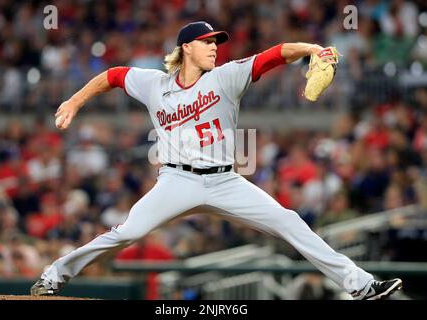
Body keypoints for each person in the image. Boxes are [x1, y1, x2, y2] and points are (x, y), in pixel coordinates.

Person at [31, 21, 402, 300]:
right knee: (127, 233)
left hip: (226, 181)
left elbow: (277, 53)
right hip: (177, 181)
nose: (214, 47)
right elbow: (112, 76)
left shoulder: (227, 76)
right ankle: (53, 275)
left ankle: (363, 286)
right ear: (186, 47)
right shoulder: (154, 84)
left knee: (290, 222)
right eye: (207, 42)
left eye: (216, 42)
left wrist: (313, 48)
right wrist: (76, 100)